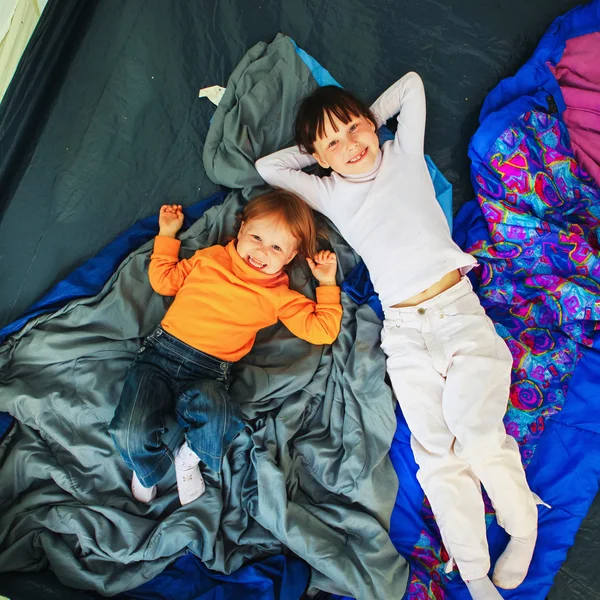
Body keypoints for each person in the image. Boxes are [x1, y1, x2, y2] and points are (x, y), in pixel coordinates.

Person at [255, 73, 540, 600]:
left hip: (456, 310)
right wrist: (319, 149)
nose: (350, 145)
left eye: (354, 128)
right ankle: (475, 572)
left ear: (371, 122)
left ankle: (522, 529)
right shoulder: (328, 193)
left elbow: (411, 86)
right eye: (332, 144)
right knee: (437, 452)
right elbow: (268, 167)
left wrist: (369, 122)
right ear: (318, 158)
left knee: (476, 432)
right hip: (404, 332)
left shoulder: (401, 156)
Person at [109, 190, 342, 506]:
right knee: (128, 430)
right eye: (257, 237)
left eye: (276, 247)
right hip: (160, 355)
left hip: (208, 371)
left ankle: (187, 459)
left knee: (221, 420)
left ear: (290, 257)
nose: (261, 252)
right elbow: (164, 281)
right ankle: (146, 467)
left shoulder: (280, 295)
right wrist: (167, 234)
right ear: (242, 228)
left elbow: (323, 331)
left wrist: (327, 284)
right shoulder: (210, 257)